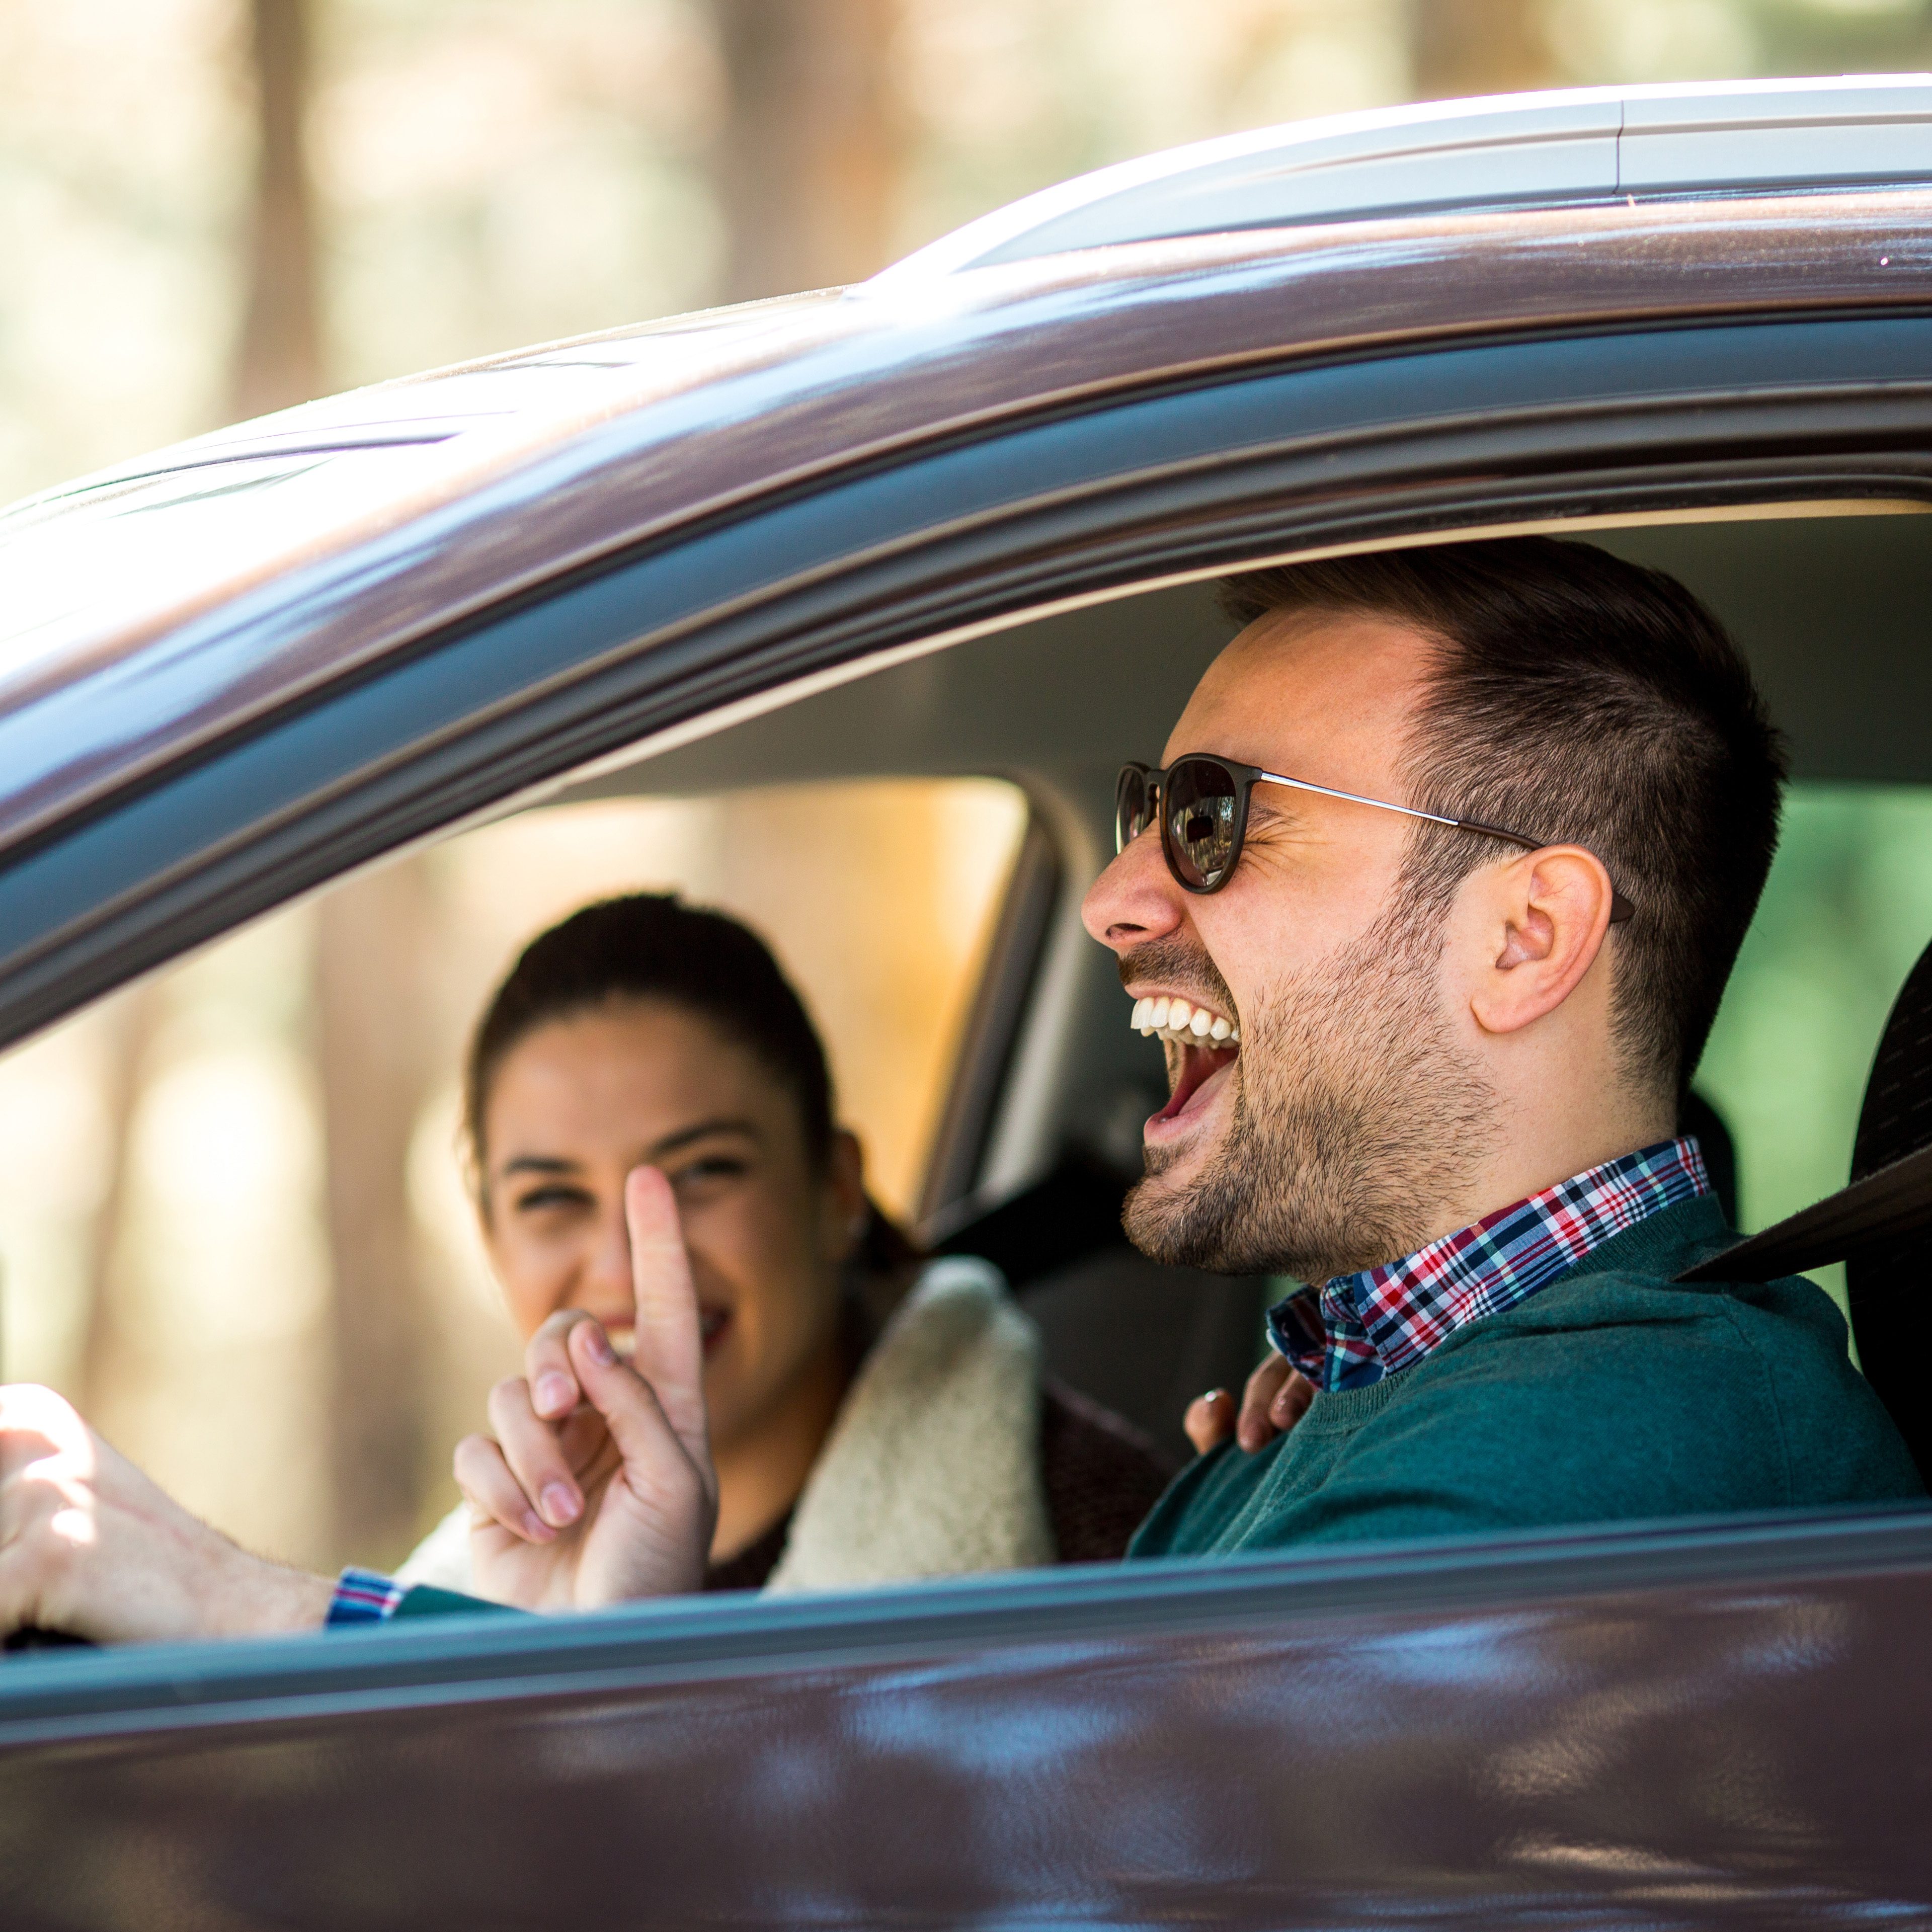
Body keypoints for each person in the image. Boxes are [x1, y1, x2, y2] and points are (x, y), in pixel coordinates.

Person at [2, 536, 1921, 1643]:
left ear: (1526, 939)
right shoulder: (1408, 1405)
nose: (1118, 897)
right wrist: (626, 1636)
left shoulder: (1608, 1458)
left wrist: (235, 1605)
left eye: (1217, 821)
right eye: (1137, 816)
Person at [400, 894, 1168, 1603]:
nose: (627, 1266)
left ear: (835, 1193)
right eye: (552, 1198)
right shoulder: (460, 1602)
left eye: (703, 1171)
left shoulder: (1107, 1551)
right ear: (491, 1240)